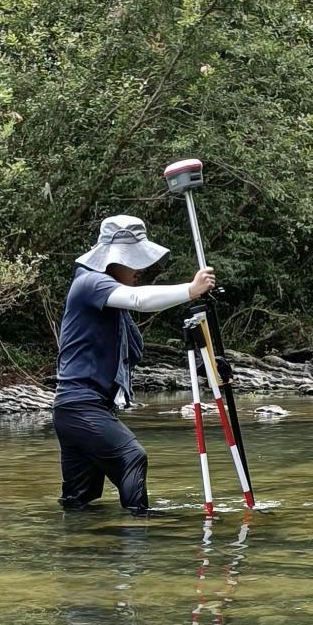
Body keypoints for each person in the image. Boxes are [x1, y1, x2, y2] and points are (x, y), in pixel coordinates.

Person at [53, 214, 217, 515]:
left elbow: (134, 301)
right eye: (134, 262)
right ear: (113, 260)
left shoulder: (105, 298)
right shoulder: (91, 282)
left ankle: (76, 553)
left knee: (80, 501)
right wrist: (190, 290)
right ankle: (139, 528)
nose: (140, 270)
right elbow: (139, 299)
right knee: (132, 456)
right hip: (81, 407)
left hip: (77, 409)